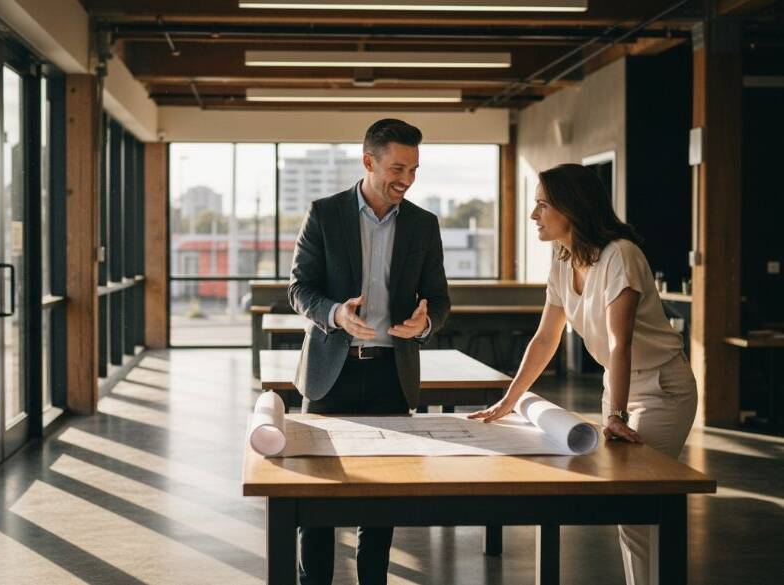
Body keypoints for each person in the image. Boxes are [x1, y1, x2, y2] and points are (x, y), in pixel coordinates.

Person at [468, 163, 697, 585]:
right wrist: (510, 398)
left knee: (638, 504)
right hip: (620, 387)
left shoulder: (620, 256)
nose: (534, 215)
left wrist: (618, 416)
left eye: (542, 205)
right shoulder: (562, 260)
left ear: (571, 208)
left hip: (663, 391)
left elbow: (619, 342)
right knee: (631, 514)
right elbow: (545, 339)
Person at [288, 118, 450, 585]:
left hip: (390, 375)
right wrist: (336, 313)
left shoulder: (423, 224)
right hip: (328, 374)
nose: (407, 180)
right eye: (398, 168)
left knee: (382, 499)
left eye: (414, 170)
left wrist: (426, 323)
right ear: (368, 161)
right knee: (317, 500)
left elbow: (439, 299)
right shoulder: (324, 213)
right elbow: (299, 289)